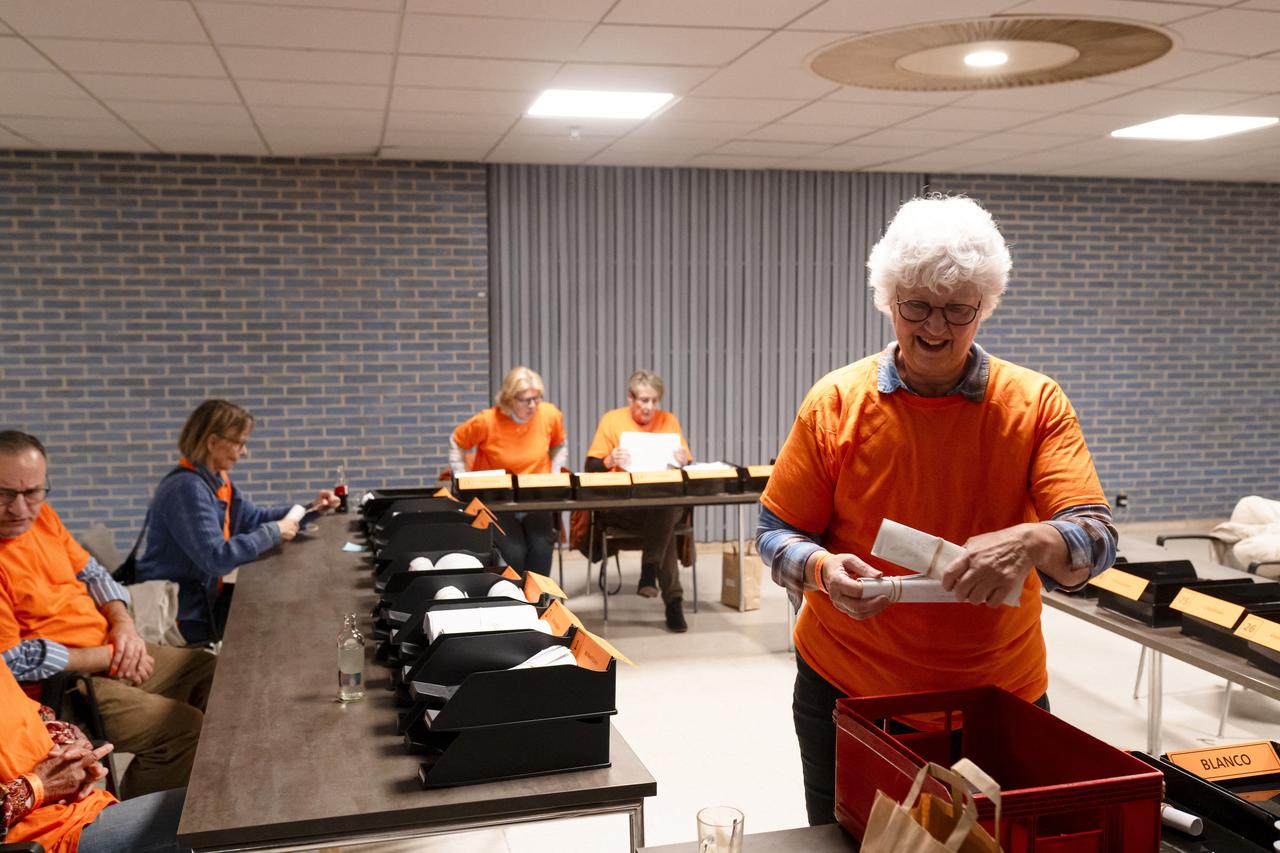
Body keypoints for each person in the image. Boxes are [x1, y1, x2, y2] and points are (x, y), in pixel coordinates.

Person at [756, 196, 1118, 826]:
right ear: (887, 299)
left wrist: (1031, 540)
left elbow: (1094, 538)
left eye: (958, 311)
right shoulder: (837, 403)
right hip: (848, 687)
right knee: (849, 840)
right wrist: (821, 571)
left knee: (995, 843)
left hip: (998, 697)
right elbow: (776, 532)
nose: (934, 329)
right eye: (915, 306)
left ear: (986, 306)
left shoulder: (1034, 405)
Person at [0, 431, 217, 800]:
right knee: (183, 729)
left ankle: (206, 791)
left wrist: (124, 626)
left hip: (112, 648)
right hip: (60, 689)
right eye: (3, 494)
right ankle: (140, 832)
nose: (20, 509)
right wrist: (108, 655)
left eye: (32, 492)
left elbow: (95, 574)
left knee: (211, 672)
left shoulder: (43, 519)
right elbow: (9, 661)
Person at [134, 400, 339, 645]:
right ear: (212, 442)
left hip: (202, 601)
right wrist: (274, 532)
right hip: (181, 613)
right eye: (239, 443)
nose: (244, 452)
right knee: (269, 629)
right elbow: (216, 558)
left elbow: (253, 519)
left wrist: (309, 509)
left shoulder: (217, 481)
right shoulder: (186, 489)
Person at [0, 664, 189, 853]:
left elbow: (36, 713)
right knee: (198, 815)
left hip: (76, 809)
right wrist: (39, 786)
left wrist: (69, 747)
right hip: (43, 838)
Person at [584, 369, 694, 633]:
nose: (649, 407)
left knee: (665, 508)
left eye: (655, 401)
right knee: (664, 520)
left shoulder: (669, 421)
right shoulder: (612, 420)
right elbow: (590, 465)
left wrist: (684, 460)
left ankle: (651, 574)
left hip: (662, 503)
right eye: (644, 400)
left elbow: (687, 465)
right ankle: (672, 601)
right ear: (630, 398)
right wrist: (609, 461)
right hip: (624, 505)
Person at [450, 367, 568, 575]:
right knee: (515, 550)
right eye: (525, 400)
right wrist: (462, 479)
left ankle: (539, 600)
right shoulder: (487, 421)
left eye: (536, 398)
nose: (533, 405)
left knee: (541, 547)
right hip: (497, 499)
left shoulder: (549, 415)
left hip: (536, 496)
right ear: (509, 399)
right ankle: (514, 597)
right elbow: (457, 441)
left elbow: (560, 444)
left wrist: (555, 473)